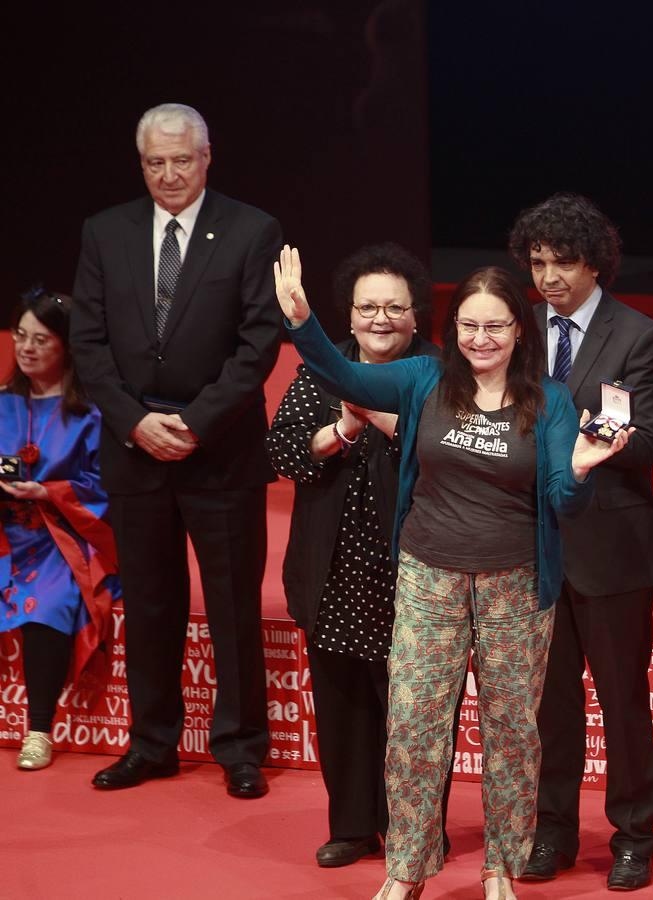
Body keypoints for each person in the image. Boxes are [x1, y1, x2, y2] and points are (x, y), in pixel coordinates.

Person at [274, 249, 634, 900]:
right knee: (412, 724)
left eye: (495, 326)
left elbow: (560, 498)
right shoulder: (422, 378)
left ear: (520, 330)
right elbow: (338, 373)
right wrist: (301, 322)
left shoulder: (549, 401)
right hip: (427, 576)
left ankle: (502, 865)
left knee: (512, 731)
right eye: (468, 325)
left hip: (517, 585)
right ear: (453, 326)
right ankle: (406, 868)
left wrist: (580, 470)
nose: (480, 339)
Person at [69, 102, 282, 799]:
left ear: (206, 156)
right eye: (155, 162)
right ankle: (152, 743)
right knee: (152, 605)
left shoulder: (252, 230)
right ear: (142, 164)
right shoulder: (106, 232)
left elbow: (258, 344)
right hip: (135, 453)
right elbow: (89, 346)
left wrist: (193, 422)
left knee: (231, 606)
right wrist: (136, 422)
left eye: (180, 160)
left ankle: (241, 746)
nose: (168, 174)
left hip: (220, 452)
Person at [508, 193, 653, 892]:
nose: (548, 277)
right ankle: (552, 831)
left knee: (622, 699)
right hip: (531, 544)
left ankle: (635, 836)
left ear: (595, 262)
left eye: (562, 262)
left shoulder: (639, 335)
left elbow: (645, 442)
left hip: (612, 545)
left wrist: (556, 426)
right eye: (538, 262)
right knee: (549, 703)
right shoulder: (512, 329)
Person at [266, 243, 441, 867]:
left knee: (414, 710)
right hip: (333, 566)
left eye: (395, 307)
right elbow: (280, 453)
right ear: (349, 313)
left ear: (417, 316)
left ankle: (416, 828)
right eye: (368, 307)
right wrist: (340, 430)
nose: (381, 319)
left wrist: (384, 420)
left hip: (417, 572)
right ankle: (352, 824)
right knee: (341, 704)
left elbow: (454, 462)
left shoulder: (438, 376)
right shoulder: (321, 369)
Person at [1, 288, 120, 770]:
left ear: (67, 347)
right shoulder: (2, 403)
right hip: (7, 532)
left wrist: (48, 492)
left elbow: (104, 486)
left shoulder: (90, 414)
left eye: (41, 340)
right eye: (20, 337)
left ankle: (38, 730)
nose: (26, 349)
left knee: (46, 602)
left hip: (63, 540)